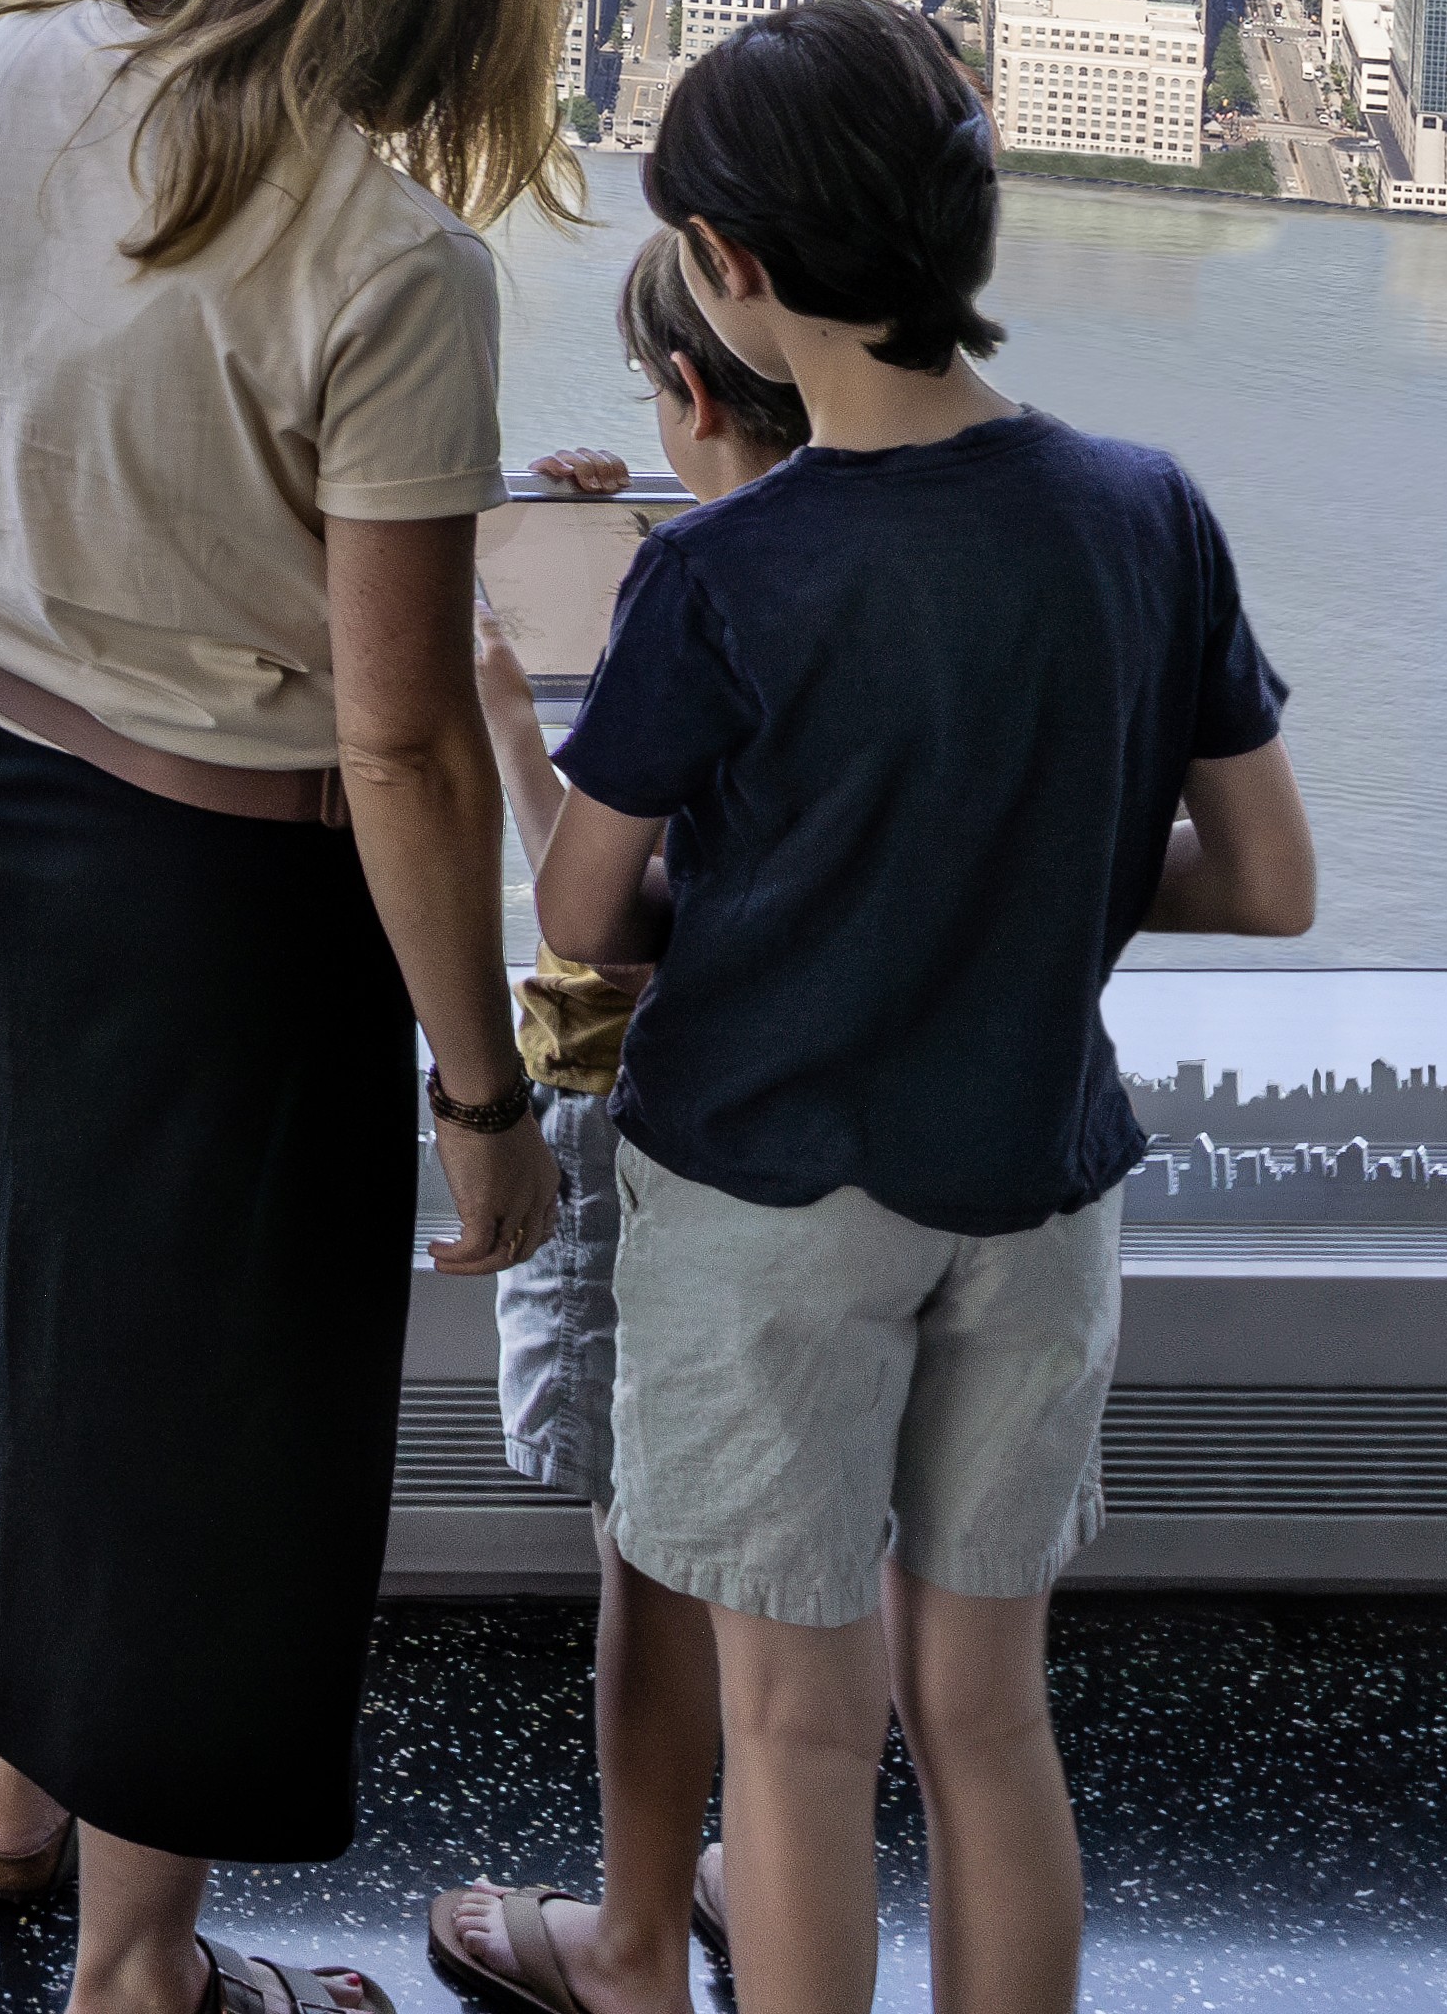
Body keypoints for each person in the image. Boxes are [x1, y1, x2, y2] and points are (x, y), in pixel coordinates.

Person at [0, 0, 580, 2014]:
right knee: (212, 1413)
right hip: (211, 884)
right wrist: (482, 1089)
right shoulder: (391, 264)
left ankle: (11, 1794)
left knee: (17, 1283)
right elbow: (400, 737)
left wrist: (83, 534)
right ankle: (142, 1966)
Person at [525, 0, 1312, 2014]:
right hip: (1036, 1186)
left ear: (732, 270)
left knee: (794, 1723)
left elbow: (588, 912)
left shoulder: (718, 573)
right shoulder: (1148, 507)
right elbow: (1267, 880)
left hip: (770, 1192)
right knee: (986, 1709)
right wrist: (1015, 862)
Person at [420, 223, 816, 2014]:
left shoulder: (686, 590)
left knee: (648, 1543)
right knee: (799, 1528)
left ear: (683, 387)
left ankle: (636, 1936)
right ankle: (772, 1865)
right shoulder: (856, 560)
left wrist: (517, 715)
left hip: (636, 1103)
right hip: (829, 1129)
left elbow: (594, 913)